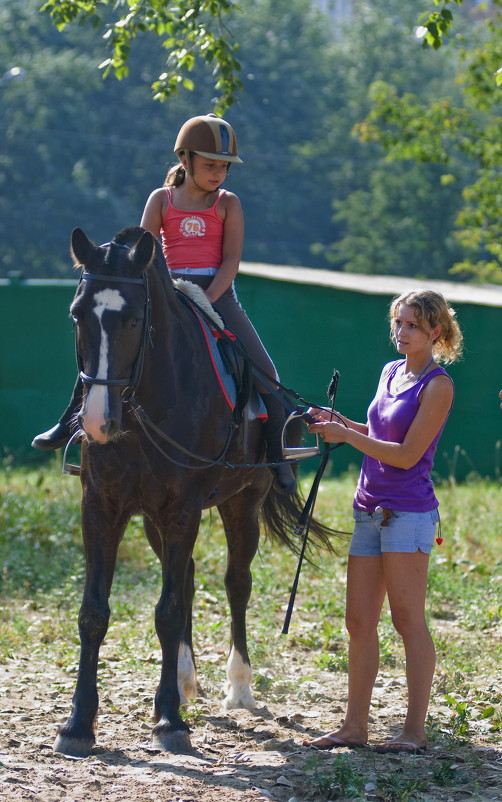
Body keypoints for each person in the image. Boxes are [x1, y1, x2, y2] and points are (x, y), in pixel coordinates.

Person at [32, 114, 296, 494]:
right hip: (166, 293)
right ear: (185, 160)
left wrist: (206, 299)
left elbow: (231, 261)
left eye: (224, 167)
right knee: (109, 351)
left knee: (267, 372)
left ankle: (277, 456)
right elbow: (143, 254)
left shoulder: (228, 204)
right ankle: (67, 423)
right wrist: (162, 295)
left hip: (217, 294)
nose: (219, 173)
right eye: (210, 165)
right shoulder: (160, 199)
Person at [302, 289, 463, 754]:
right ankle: (354, 727)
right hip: (368, 510)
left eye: (412, 325)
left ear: (435, 331)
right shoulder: (390, 372)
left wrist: (347, 439)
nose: (402, 331)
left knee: (408, 621)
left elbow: (408, 455)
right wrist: (342, 423)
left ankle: (414, 731)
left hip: (408, 514)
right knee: (358, 622)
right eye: (399, 322)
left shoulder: (438, 385)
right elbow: (378, 433)